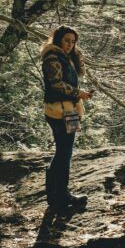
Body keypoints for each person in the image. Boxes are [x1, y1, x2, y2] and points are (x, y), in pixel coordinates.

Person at [40, 25, 93, 209]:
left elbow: (79, 73)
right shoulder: (53, 57)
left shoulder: (64, 57)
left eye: (73, 41)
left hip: (67, 110)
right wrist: (79, 93)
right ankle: (61, 196)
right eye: (67, 40)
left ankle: (55, 195)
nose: (70, 44)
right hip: (60, 111)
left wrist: (76, 55)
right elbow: (56, 84)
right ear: (58, 39)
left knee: (63, 153)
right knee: (64, 153)